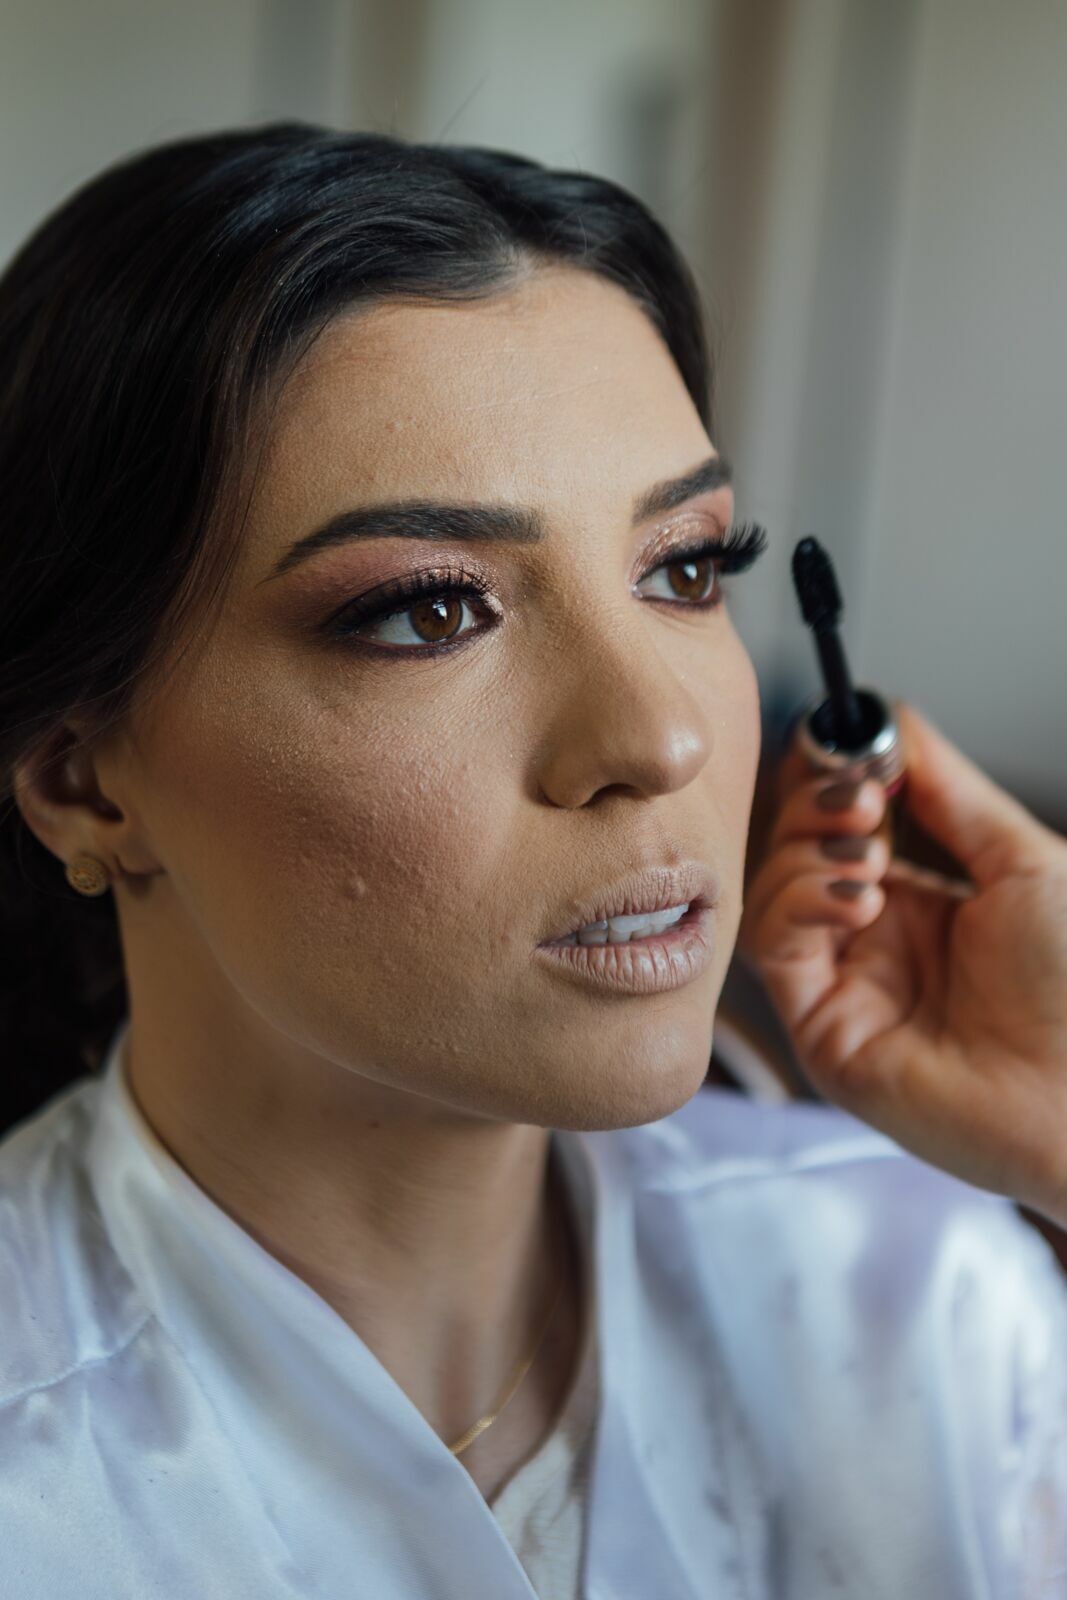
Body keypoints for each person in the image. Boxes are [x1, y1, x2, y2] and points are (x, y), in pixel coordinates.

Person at [0, 122, 1064, 1599]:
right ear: (80, 781)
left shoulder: (926, 1301)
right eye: (432, 611)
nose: (664, 740)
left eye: (685, 568)